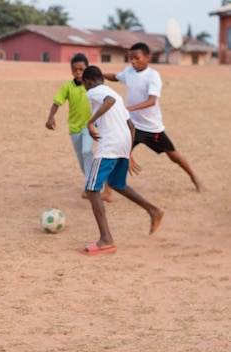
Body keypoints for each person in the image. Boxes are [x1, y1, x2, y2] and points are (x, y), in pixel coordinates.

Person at [79, 66, 164, 255]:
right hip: (124, 143)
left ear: (88, 82)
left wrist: (91, 121)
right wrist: (128, 152)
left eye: (85, 85)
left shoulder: (95, 92)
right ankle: (153, 210)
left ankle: (106, 239)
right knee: (117, 184)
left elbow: (107, 102)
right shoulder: (114, 93)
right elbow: (131, 125)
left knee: (91, 189)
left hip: (109, 146)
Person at [103, 42, 203, 192]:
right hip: (133, 126)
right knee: (113, 154)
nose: (133, 61)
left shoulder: (153, 76)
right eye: (130, 58)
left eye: (137, 58)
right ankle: (107, 192)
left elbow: (152, 101)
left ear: (148, 57)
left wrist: (129, 108)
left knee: (174, 156)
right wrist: (99, 73)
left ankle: (196, 180)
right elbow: (116, 77)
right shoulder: (129, 72)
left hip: (152, 128)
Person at [45, 53, 112, 201]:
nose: (78, 73)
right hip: (74, 128)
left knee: (87, 151)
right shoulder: (67, 87)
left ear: (87, 70)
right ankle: (92, 181)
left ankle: (91, 186)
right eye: (74, 70)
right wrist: (51, 117)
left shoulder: (93, 88)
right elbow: (57, 102)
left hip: (89, 126)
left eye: (81, 69)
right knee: (82, 160)